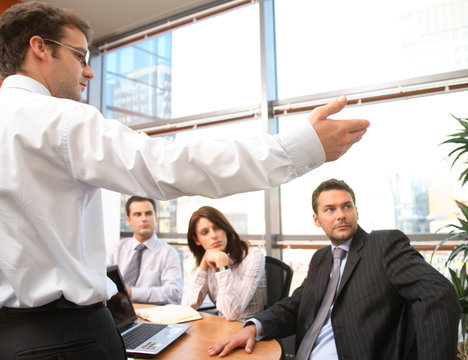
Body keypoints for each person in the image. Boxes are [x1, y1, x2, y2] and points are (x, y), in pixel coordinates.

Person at [0, 1, 369, 358]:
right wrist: (296, 149)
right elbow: (165, 166)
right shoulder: (60, 119)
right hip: (65, 338)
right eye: (80, 56)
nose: (89, 71)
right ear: (40, 48)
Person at [209, 179, 461, 360]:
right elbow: (296, 304)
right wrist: (254, 327)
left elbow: (437, 293)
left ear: (356, 211)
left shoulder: (383, 245)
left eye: (346, 206)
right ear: (317, 220)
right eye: (330, 209)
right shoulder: (321, 258)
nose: (340, 215)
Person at [182, 206, 266, 322]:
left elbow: (231, 314)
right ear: (197, 240)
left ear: (225, 229)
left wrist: (223, 266)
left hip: (248, 331)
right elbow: (187, 307)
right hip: (221, 329)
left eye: (217, 228)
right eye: (205, 232)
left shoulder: (253, 256)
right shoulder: (210, 259)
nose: (213, 235)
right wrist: (203, 265)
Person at [107, 196, 183, 305]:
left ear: (156, 218)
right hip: (118, 313)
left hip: (153, 315)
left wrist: (132, 293)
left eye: (148, 214)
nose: (144, 219)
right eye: (138, 214)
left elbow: (174, 294)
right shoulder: (116, 250)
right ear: (128, 220)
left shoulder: (168, 253)